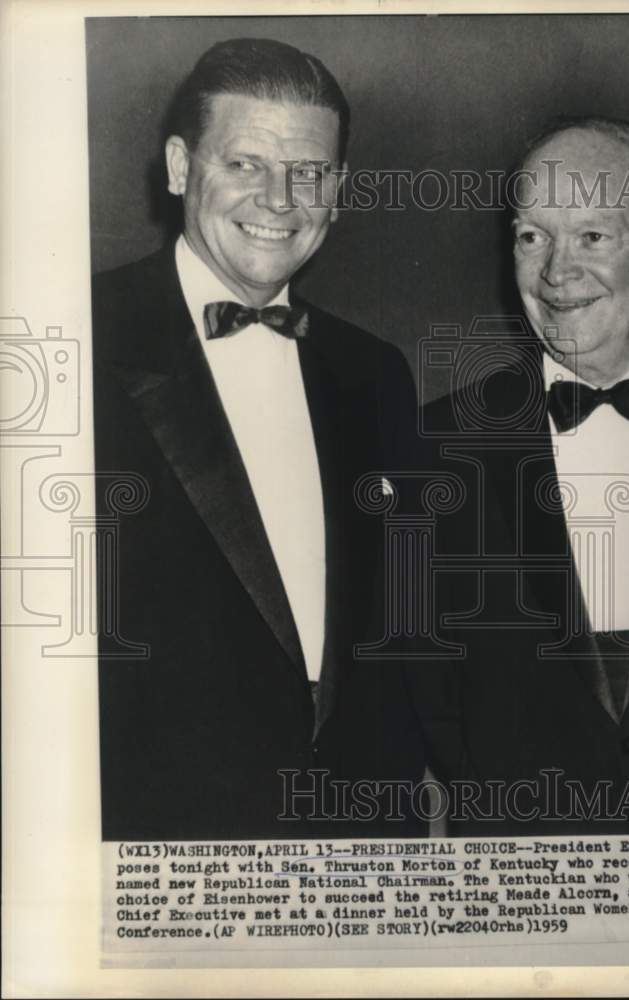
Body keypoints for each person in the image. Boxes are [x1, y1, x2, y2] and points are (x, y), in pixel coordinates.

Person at [92, 38, 426, 840]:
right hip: (151, 862)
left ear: (337, 191)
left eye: (308, 172)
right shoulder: (68, 342)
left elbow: (399, 640)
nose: (280, 199)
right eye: (244, 163)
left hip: (359, 855)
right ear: (179, 168)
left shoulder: (374, 373)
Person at [424, 117, 629, 834]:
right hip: (524, 893)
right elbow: (424, 694)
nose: (556, 271)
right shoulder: (440, 444)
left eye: (592, 237)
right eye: (532, 236)